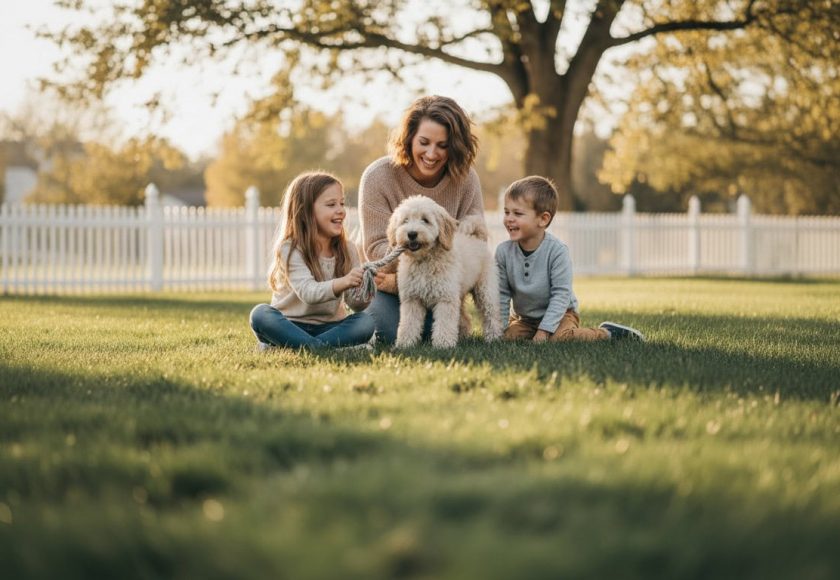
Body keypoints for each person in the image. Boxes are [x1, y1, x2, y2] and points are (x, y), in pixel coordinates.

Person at [358, 95, 486, 344]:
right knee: (384, 330)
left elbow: (475, 243)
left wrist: (436, 277)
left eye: (443, 145)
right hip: (387, 282)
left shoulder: (466, 179)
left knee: (435, 324)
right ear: (409, 139)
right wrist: (400, 281)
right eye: (424, 142)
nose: (431, 153)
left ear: (455, 146)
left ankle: (452, 319)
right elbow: (375, 250)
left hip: (445, 280)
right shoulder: (378, 176)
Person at [496, 175, 645, 342]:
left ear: (543, 219)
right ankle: (531, 332)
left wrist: (544, 331)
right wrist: (498, 330)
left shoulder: (557, 251)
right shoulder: (503, 252)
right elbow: (502, 294)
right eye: (506, 212)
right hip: (526, 318)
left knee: (558, 338)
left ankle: (607, 333)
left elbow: (561, 295)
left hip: (562, 314)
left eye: (517, 213)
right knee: (509, 337)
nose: (509, 218)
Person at [250, 172, 375, 349]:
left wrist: (364, 288)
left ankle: (297, 346)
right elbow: (308, 292)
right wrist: (344, 281)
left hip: (330, 327)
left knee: (365, 322)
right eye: (331, 204)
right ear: (305, 211)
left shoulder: (348, 249)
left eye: (341, 203)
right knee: (260, 314)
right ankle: (327, 348)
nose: (340, 210)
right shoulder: (290, 249)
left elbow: (355, 305)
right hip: (290, 324)